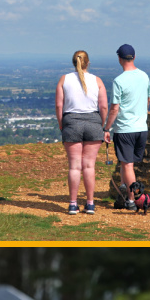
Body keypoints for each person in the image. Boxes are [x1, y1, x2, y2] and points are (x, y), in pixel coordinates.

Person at [55, 50, 109, 215]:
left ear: (74, 62)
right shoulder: (97, 80)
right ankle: (90, 203)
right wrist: (102, 125)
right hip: (93, 122)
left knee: (74, 166)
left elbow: (59, 105)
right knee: (89, 166)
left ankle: (73, 204)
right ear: (88, 63)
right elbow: (104, 106)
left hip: (71, 121)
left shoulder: (64, 79)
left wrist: (61, 124)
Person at [104, 44, 150, 210]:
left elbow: (114, 108)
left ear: (119, 59)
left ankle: (132, 201)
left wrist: (106, 128)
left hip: (125, 129)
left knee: (127, 165)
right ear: (134, 57)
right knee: (128, 164)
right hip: (141, 128)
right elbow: (147, 101)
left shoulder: (119, 81)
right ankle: (122, 197)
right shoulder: (144, 76)